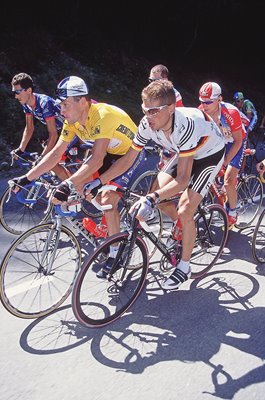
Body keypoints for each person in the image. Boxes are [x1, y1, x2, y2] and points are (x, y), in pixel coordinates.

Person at [84, 79, 225, 290]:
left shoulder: (184, 125)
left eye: (154, 111)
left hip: (209, 154)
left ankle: (185, 266)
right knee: (157, 198)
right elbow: (128, 159)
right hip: (184, 152)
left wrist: (152, 198)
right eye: (145, 110)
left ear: (170, 108)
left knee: (185, 209)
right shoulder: (146, 124)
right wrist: (99, 181)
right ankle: (183, 229)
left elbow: (183, 179)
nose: (148, 116)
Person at [10, 75, 154, 277]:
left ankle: (116, 251)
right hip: (107, 154)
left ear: (83, 101)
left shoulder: (102, 116)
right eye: (61, 105)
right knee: (83, 189)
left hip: (129, 154)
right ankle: (111, 224)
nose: (62, 110)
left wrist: (66, 184)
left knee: (107, 200)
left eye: (66, 105)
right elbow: (56, 153)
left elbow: (96, 160)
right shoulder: (72, 120)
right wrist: (27, 178)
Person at [199, 82, 247, 228]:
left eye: (208, 102)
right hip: (220, 140)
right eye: (201, 101)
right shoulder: (201, 111)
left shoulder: (231, 113)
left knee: (228, 179)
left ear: (219, 99)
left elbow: (238, 141)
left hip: (237, 141)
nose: (204, 105)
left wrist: (225, 162)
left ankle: (233, 212)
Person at [11, 72, 70, 180]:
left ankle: (72, 189)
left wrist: (43, 157)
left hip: (71, 129)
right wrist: (21, 149)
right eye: (14, 92)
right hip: (61, 130)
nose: (15, 96)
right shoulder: (26, 104)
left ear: (28, 90)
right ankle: (70, 188)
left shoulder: (44, 103)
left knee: (49, 161)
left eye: (18, 92)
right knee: (51, 164)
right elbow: (29, 128)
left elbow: (53, 134)